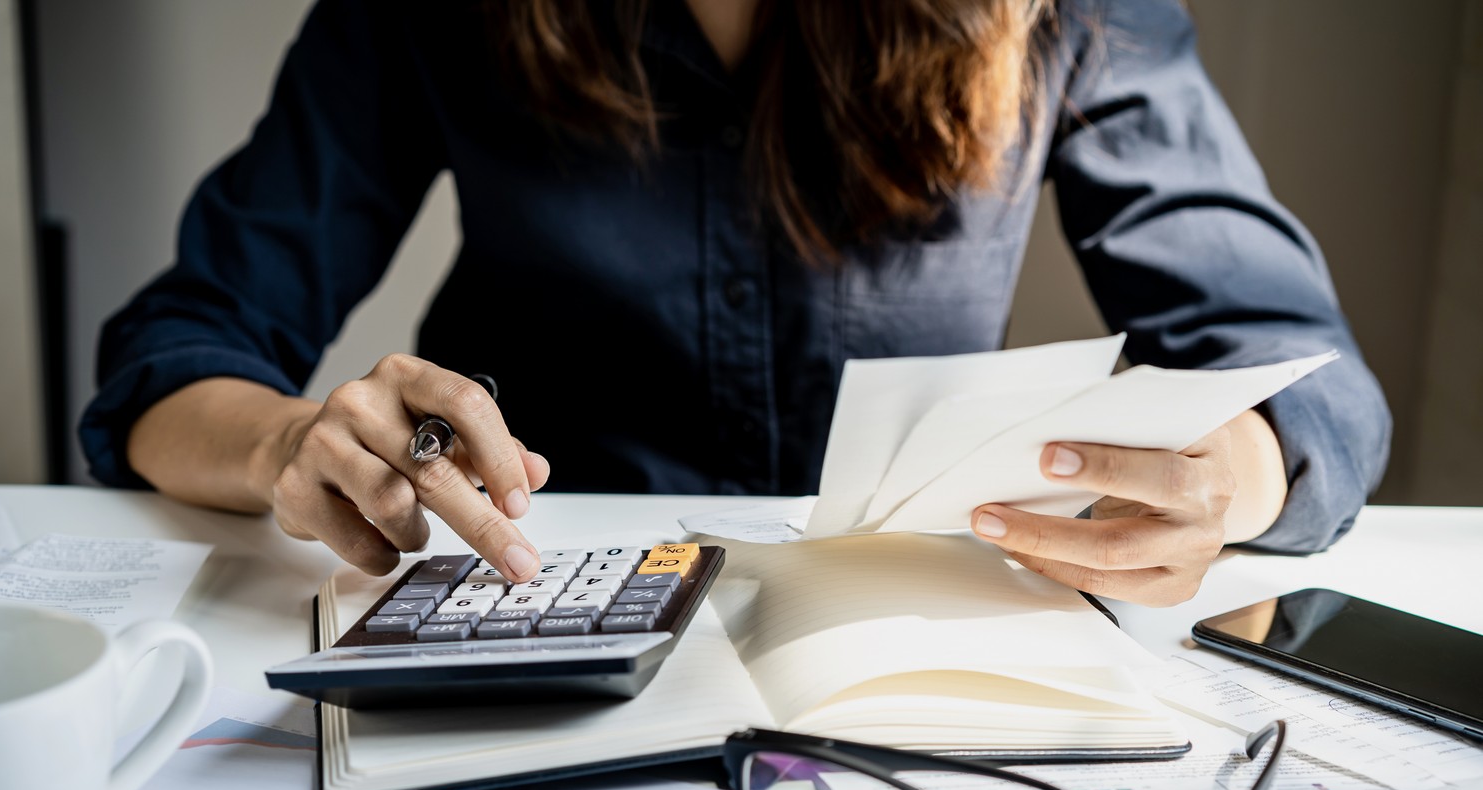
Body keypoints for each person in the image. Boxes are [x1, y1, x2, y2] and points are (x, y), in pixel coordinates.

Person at [80, 0, 1390, 607]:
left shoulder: (1078, 10)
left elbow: (1298, 368)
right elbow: (174, 350)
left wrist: (1237, 468)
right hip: (534, 605)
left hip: (919, 632)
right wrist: (285, 441)